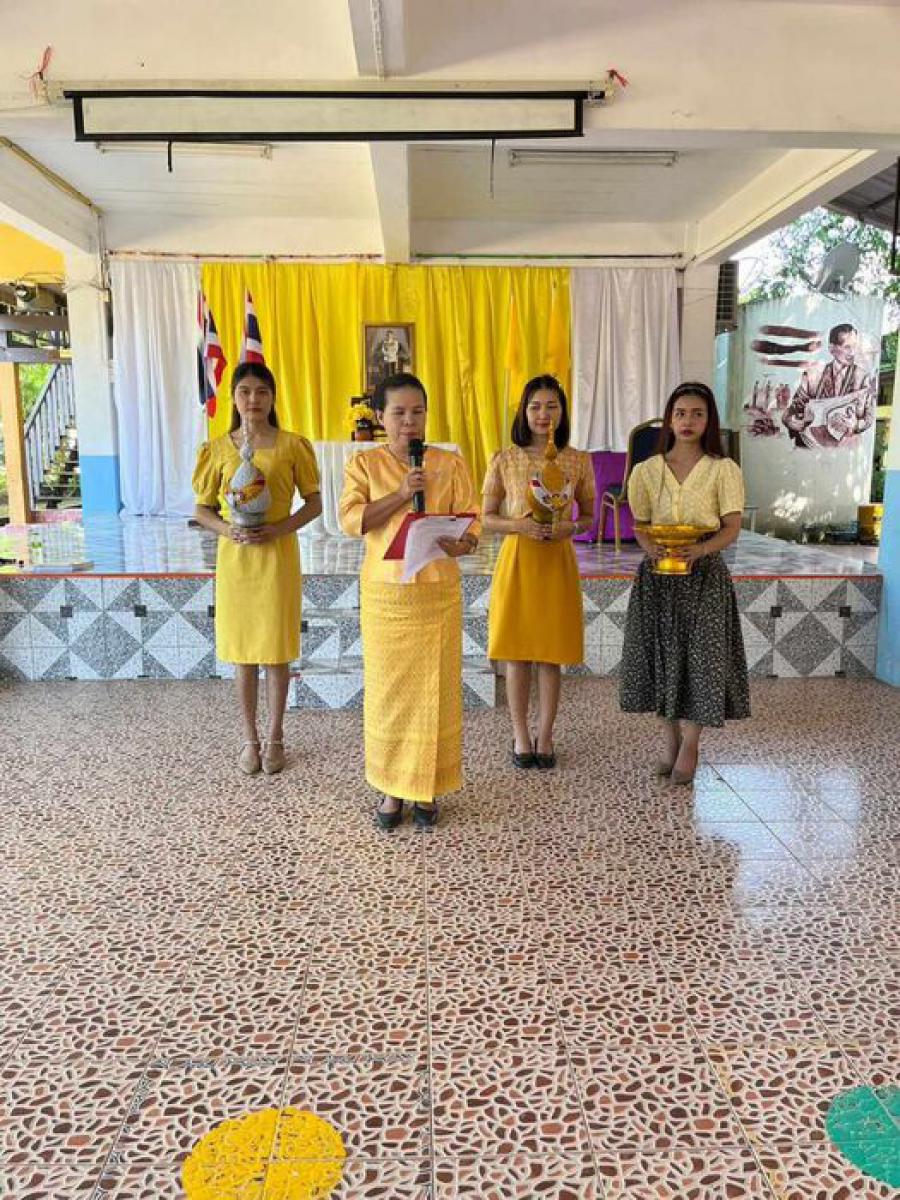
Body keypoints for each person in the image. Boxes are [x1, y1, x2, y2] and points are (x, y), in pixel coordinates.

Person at [339, 371, 480, 830]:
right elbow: (351, 520)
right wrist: (401, 494)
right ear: (380, 417)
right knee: (390, 695)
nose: (409, 422)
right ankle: (390, 788)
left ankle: (429, 786)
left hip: (437, 593)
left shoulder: (449, 463)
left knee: (434, 692)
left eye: (417, 412)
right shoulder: (364, 465)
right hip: (387, 597)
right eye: (398, 413)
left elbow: (472, 522)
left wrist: (464, 542)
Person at [192, 363, 322, 775]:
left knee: (276, 650)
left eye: (262, 391)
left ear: (273, 397)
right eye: (245, 391)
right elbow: (202, 509)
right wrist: (227, 530)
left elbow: (315, 503)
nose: (253, 399)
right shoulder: (216, 449)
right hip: (237, 561)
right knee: (244, 653)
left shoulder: (292, 446)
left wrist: (279, 529)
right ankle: (250, 738)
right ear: (233, 398)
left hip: (278, 557)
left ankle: (276, 736)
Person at [619, 381, 749, 784]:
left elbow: (731, 528)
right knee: (661, 657)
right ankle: (670, 740)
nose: (688, 421)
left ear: (708, 420)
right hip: (658, 577)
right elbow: (640, 525)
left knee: (703, 660)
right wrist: (651, 549)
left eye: (697, 413)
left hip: (704, 575)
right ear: (669, 420)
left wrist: (701, 550)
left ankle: (691, 744)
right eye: (680, 413)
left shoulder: (723, 470)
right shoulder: (647, 471)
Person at [481, 375, 595, 769]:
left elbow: (589, 516)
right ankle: (520, 735)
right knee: (517, 654)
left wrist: (571, 528)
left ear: (562, 411)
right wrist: (518, 525)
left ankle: (545, 736)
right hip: (518, 560)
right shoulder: (504, 459)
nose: (543, 414)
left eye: (551, 406)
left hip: (557, 561)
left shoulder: (578, 460)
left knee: (550, 655)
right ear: (523, 413)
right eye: (535, 406)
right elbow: (486, 517)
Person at [782, 323, 876, 448]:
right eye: (847, 347)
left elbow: (870, 417)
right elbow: (794, 408)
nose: (852, 352)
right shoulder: (813, 376)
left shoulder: (863, 377)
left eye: (855, 347)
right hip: (811, 445)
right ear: (832, 349)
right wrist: (790, 420)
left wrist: (856, 425)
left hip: (845, 448)